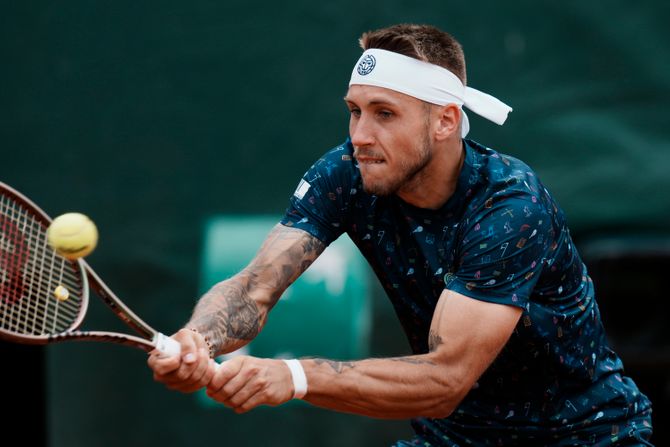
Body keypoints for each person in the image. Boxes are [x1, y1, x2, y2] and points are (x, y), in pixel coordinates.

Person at [147, 24, 653, 446]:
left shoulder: (511, 206)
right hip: (455, 437)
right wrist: (199, 339)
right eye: (355, 111)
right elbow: (253, 288)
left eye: (384, 114)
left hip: (583, 435)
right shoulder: (346, 173)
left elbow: (445, 381)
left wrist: (295, 376)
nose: (360, 135)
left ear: (445, 121)